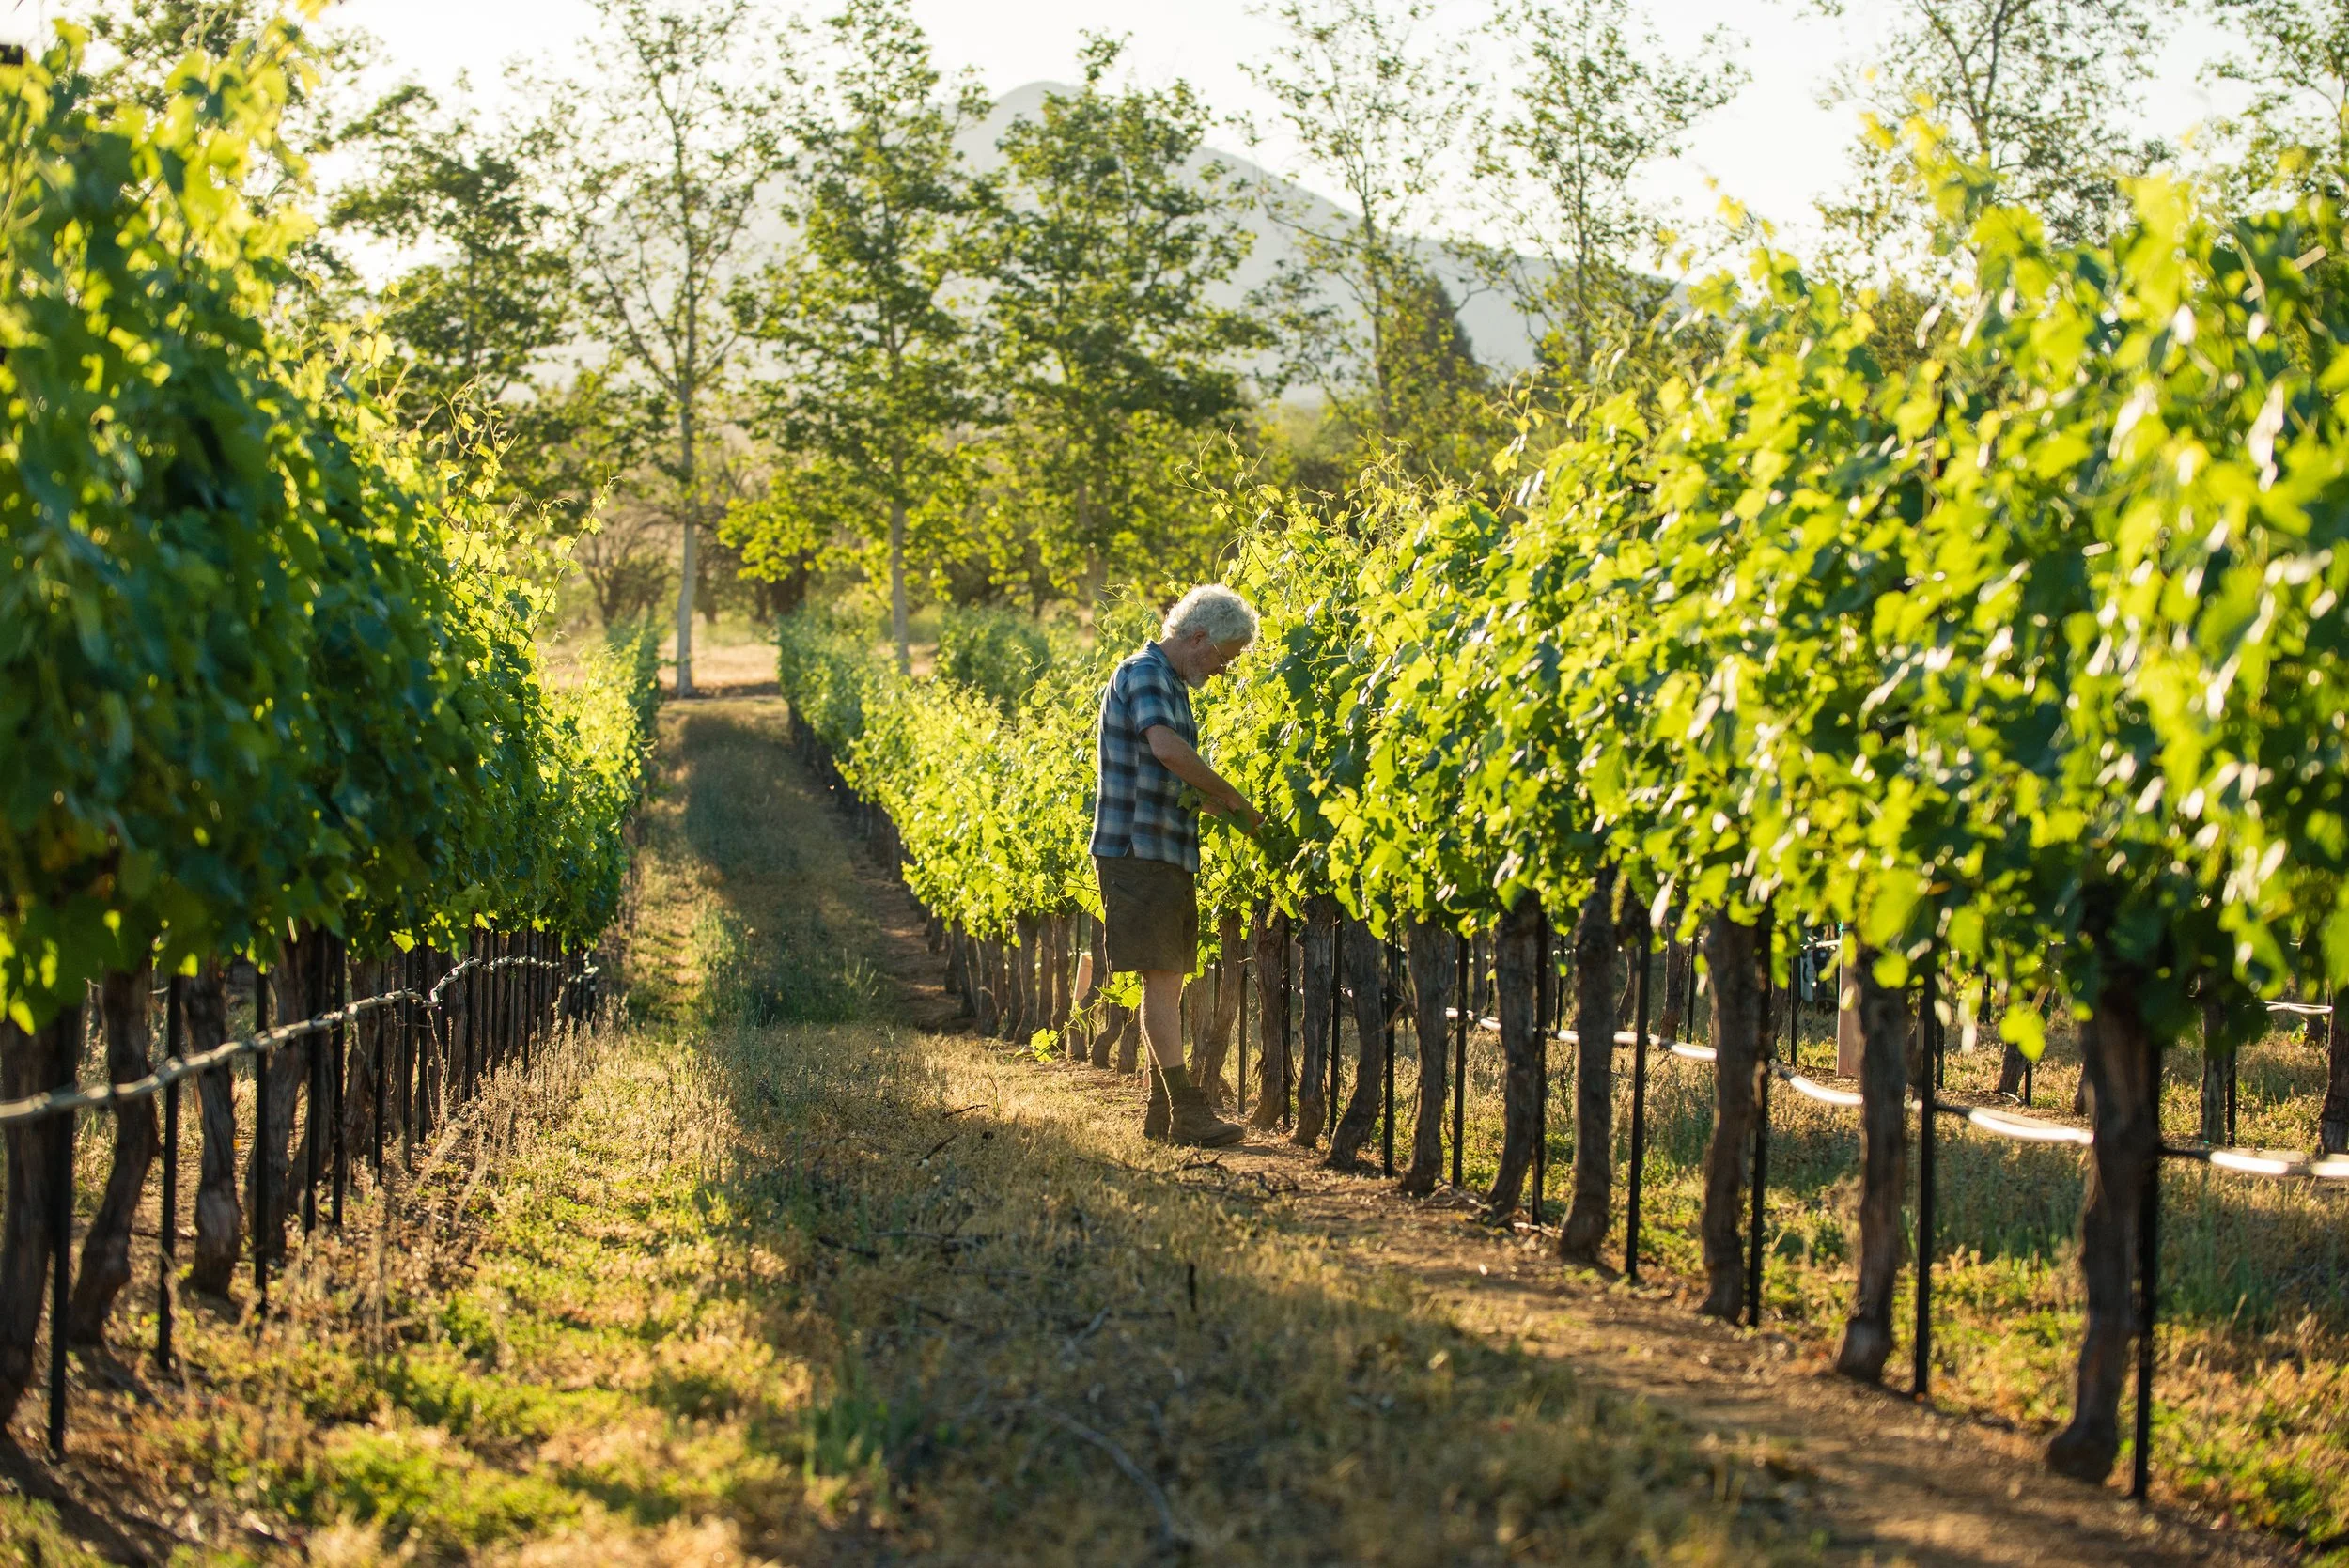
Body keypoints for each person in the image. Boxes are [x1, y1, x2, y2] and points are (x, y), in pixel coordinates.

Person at [1091, 585, 1262, 1146]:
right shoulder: (1144, 673)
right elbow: (1167, 750)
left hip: (1162, 850)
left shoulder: (1168, 683)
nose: (1220, 671)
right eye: (1222, 658)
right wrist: (1232, 797)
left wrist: (1221, 808)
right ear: (1197, 638)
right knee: (1162, 980)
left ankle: (1162, 1115)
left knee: (1166, 980)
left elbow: (1166, 773)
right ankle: (1185, 1112)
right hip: (1139, 850)